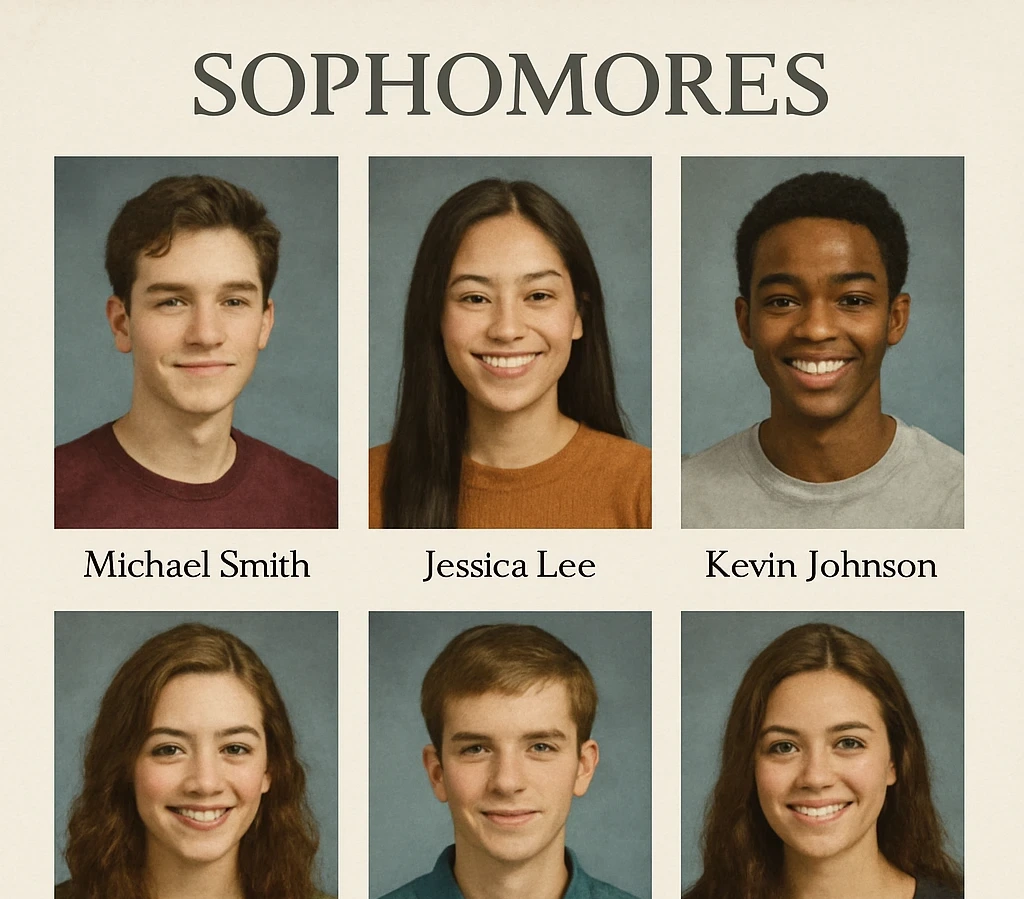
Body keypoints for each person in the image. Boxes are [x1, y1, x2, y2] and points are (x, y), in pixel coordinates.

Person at [681, 622, 962, 899]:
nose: (815, 777)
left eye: (848, 743)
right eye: (784, 747)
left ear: (894, 761)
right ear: (749, 767)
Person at [55, 623, 337, 899]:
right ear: (124, 768)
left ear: (270, 770)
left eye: (235, 748)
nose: (205, 783)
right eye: (169, 749)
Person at [369, 623, 651, 899]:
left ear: (583, 767)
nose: (507, 782)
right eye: (476, 749)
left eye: (540, 747)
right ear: (437, 773)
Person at [681, 171, 963, 529]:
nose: (816, 330)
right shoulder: (678, 501)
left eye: (853, 300)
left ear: (895, 319)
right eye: (782, 301)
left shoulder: (966, 502)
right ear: (745, 321)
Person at [56, 174, 337, 529]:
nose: (205, 335)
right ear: (122, 324)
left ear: (264, 323)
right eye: (172, 302)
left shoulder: (328, 507)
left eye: (233, 301)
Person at [370, 178, 650, 529]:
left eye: (538, 296)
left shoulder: (648, 488)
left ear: (579, 314)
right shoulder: (362, 490)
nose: (506, 329)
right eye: (475, 298)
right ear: (435, 316)